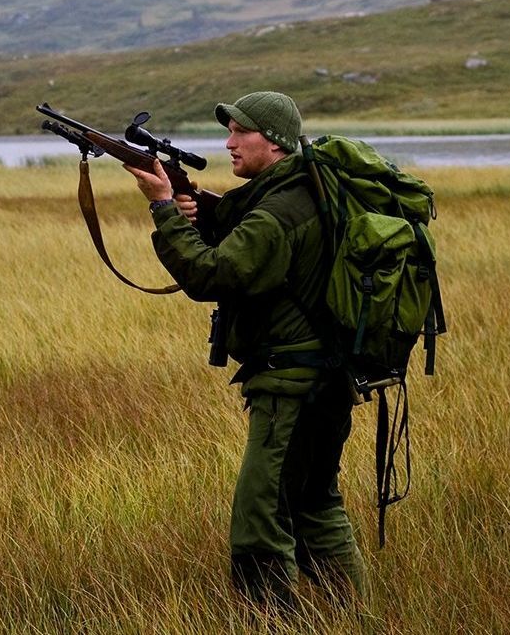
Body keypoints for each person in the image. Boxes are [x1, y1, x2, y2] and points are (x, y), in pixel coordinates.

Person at [124, 91, 368, 611]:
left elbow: (213, 274)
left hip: (291, 386)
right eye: (229, 131)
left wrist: (164, 209)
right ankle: (348, 616)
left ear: (275, 142)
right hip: (328, 378)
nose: (229, 143)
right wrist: (196, 217)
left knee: (260, 523)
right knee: (313, 505)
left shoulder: (278, 209)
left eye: (241, 133)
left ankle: (273, 622)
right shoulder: (307, 190)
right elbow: (254, 258)